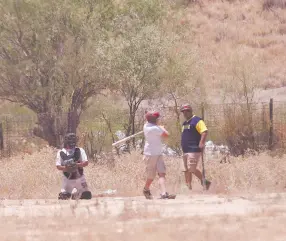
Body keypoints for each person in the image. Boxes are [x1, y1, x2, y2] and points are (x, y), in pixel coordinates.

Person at [142, 111, 176, 199]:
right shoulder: (155, 129)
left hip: (157, 153)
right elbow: (166, 135)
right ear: (155, 119)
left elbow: (152, 122)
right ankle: (146, 189)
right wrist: (162, 128)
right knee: (151, 176)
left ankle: (164, 193)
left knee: (162, 173)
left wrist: (159, 126)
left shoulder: (146, 126)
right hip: (150, 154)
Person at [180, 104, 211, 190]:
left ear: (191, 111)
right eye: (183, 112)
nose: (185, 113)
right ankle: (188, 187)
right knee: (185, 169)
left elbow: (204, 131)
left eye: (187, 111)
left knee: (191, 169)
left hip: (194, 149)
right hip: (185, 150)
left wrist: (201, 142)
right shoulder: (184, 123)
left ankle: (205, 182)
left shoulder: (197, 120)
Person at [56, 133, 92, 200]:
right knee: (64, 197)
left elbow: (86, 163)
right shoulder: (61, 152)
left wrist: (76, 165)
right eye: (70, 140)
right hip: (67, 179)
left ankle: (75, 194)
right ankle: (69, 192)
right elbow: (58, 166)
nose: (72, 142)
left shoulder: (80, 150)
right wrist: (67, 168)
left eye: (73, 140)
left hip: (80, 178)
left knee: (87, 195)